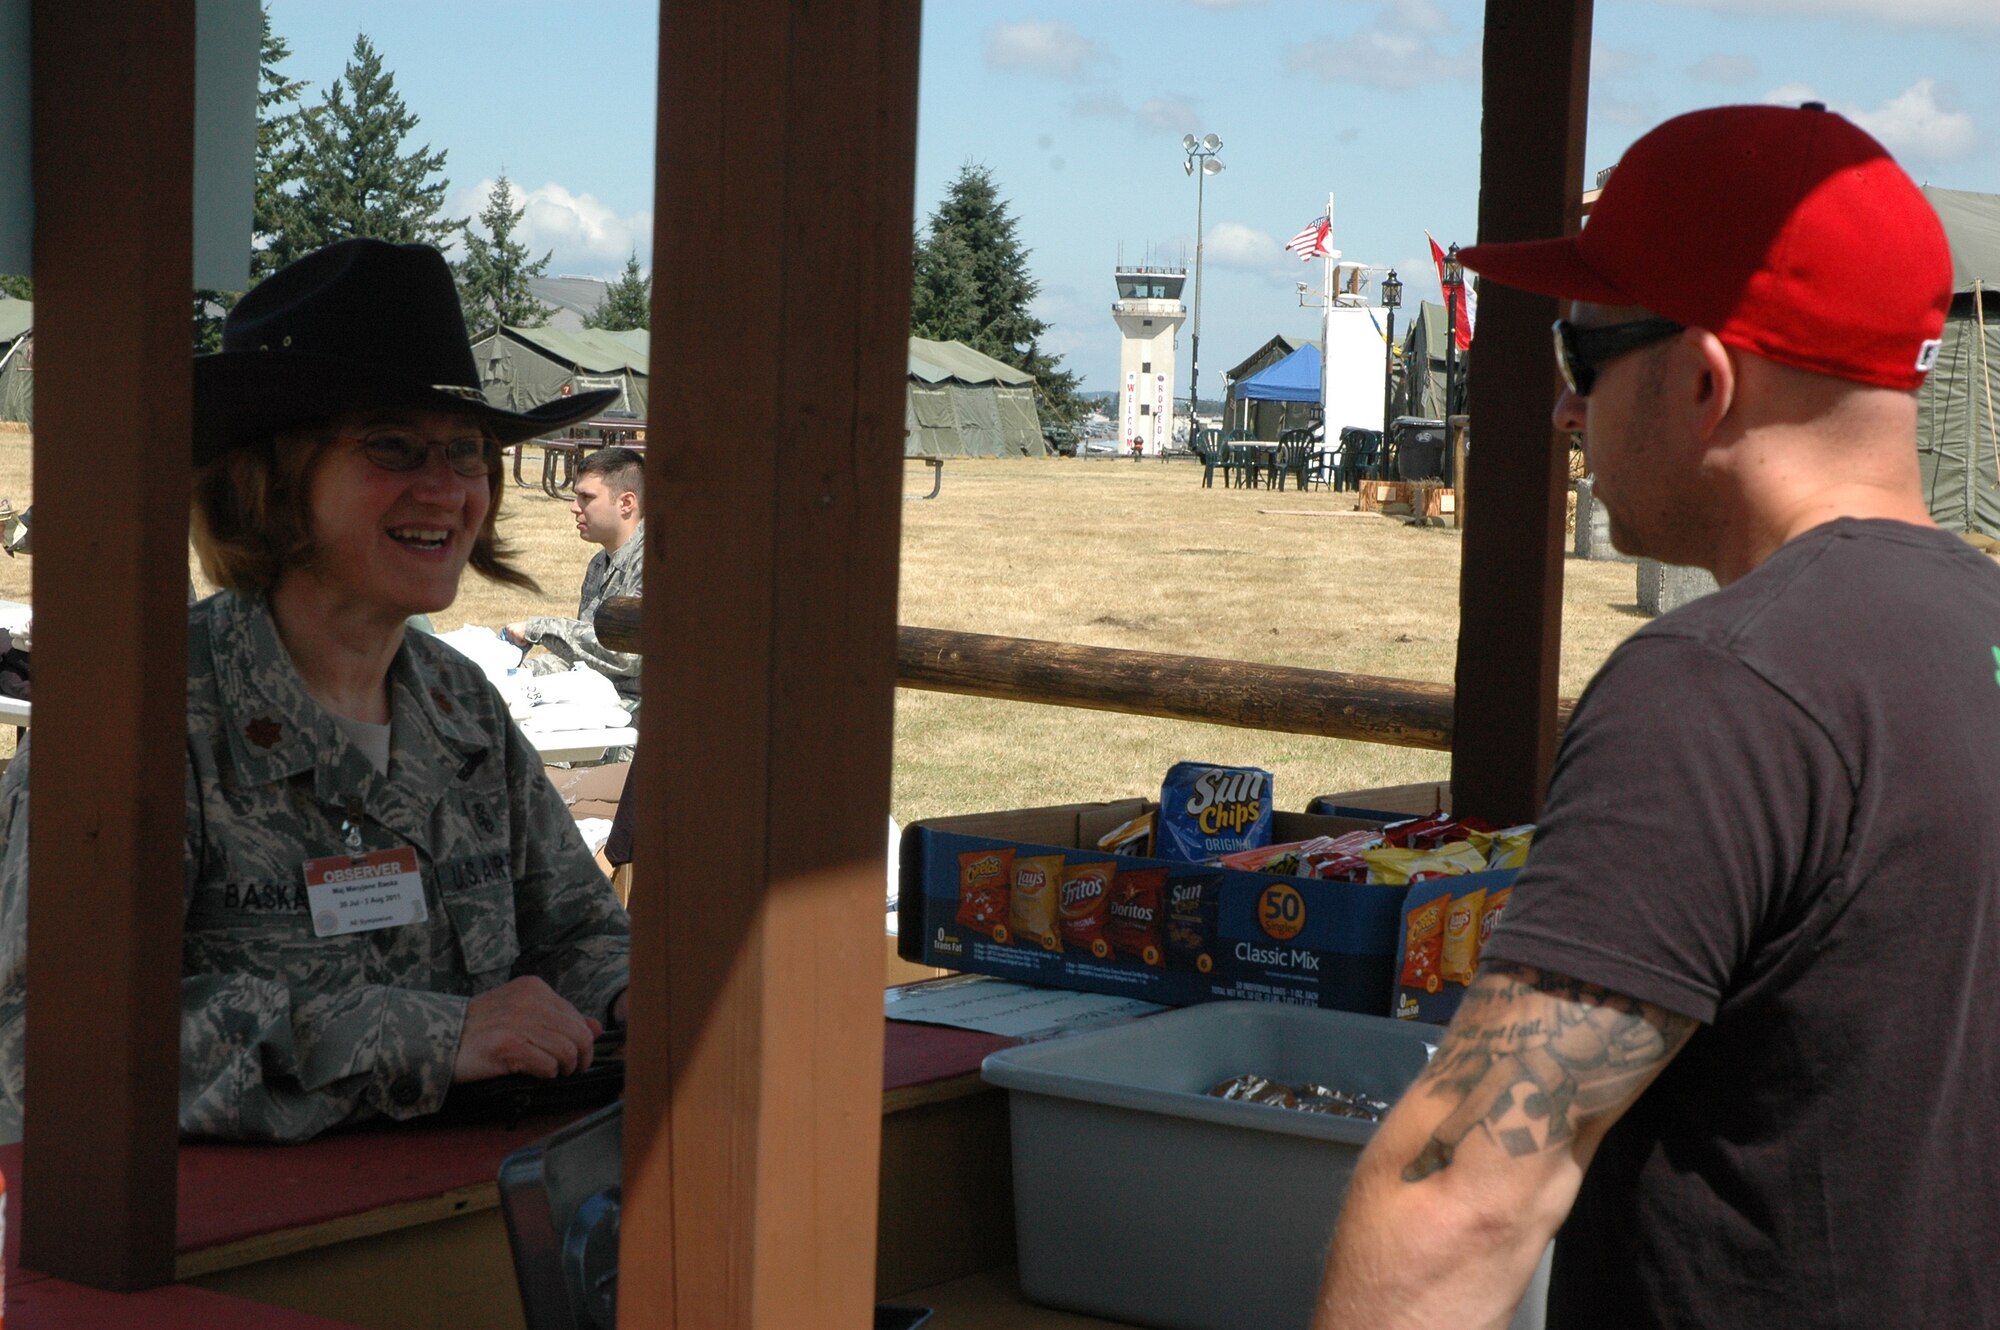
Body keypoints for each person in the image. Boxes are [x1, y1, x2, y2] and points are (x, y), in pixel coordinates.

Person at [1315, 104, 2000, 1329]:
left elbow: (1463, 1190)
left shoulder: (1719, 685)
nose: (1562, 412)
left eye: (1580, 356)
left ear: (1701, 377)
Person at [0, 238, 635, 1144]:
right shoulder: (144, 721)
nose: (446, 490)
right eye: (394, 447)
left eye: (466, 454)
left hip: (460, 1223)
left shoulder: (459, 707)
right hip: (228, 1252)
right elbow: (42, 1041)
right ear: (271, 483)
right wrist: (429, 1035)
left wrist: (629, 994)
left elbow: (574, 932)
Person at [504, 446, 644, 708]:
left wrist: (540, 629)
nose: (574, 507)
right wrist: (520, 673)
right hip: (605, 703)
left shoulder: (652, 561)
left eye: (586, 497)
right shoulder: (598, 565)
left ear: (626, 503)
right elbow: (584, 658)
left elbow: (627, 657)